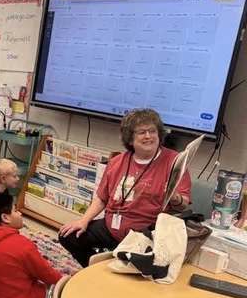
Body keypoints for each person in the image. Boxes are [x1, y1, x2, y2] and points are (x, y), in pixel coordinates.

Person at [58, 108, 191, 267]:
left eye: (152, 131)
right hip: (111, 226)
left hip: (147, 234)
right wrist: (84, 220)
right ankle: (96, 269)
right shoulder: (117, 162)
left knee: (136, 263)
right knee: (68, 236)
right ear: (130, 138)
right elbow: (102, 198)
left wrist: (174, 196)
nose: (148, 136)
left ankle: (117, 262)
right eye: (141, 132)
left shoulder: (174, 161)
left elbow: (182, 205)